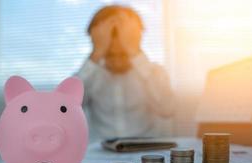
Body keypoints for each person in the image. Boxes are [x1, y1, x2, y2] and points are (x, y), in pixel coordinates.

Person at [74, 5, 176, 139]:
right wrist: (96, 53)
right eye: (109, 53)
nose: (116, 52)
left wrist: (134, 51)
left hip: (144, 151)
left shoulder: (155, 72)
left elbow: (167, 110)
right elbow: (65, 108)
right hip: (99, 151)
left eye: (123, 53)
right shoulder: (90, 74)